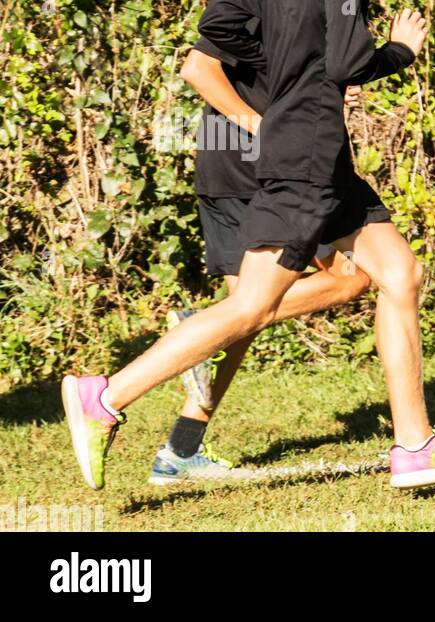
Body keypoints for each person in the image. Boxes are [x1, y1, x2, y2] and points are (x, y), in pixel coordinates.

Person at [61, 0, 435, 492]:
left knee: (398, 272)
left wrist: (301, 73)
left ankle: (415, 446)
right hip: (298, 158)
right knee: (250, 308)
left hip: (320, 159)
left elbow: (229, 27)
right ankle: (106, 397)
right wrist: (396, 52)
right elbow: (344, 62)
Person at [146, 33, 373, 485]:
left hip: (234, 170)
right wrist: (265, 127)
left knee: (244, 315)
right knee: (350, 278)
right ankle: (202, 329)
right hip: (263, 174)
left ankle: (180, 449)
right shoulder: (251, 6)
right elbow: (198, 68)